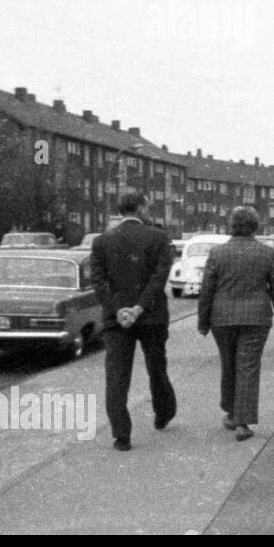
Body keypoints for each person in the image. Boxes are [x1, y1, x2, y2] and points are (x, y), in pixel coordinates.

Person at [90, 193, 176, 451]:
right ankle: (163, 414)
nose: (149, 212)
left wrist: (119, 310)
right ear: (140, 209)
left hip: (118, 321)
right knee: (157, 368)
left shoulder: (102, 242)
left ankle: (121, 435)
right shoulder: (159, 237)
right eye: (148, 207)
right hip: (151, 316)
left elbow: (99, 281)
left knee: (116, 376)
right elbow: (159, 279)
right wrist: (138, 308)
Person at [197, 206, 274, 442]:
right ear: (255, 227)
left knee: (229, 364)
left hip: (222, 318)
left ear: (232, 226)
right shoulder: (266, 253)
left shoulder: (217, 253)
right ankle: (243, 423)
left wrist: (203, 321)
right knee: (247, 366)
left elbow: (206, 290)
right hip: (256, 318)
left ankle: (230, 412)